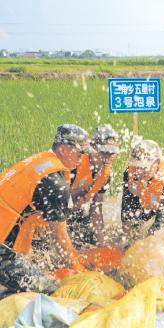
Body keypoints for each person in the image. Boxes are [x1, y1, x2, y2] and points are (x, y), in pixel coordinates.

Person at [0, 124, 94, 297]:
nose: (82, 159)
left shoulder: (41, 160)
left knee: (25, 275)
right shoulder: (55, 184)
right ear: (64, 148)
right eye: (80, 153)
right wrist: (80, 271)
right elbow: (59, 239)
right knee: (48, 290)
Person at [69, 125, 120, 247]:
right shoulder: (74, 163)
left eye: (111, 153)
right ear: (92, 148)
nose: (107, 158)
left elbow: (96, 209)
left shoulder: (105, 174)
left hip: (75, 209)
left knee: (85, 230)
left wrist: (102, 243)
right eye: (104, 152)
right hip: (56, 208)